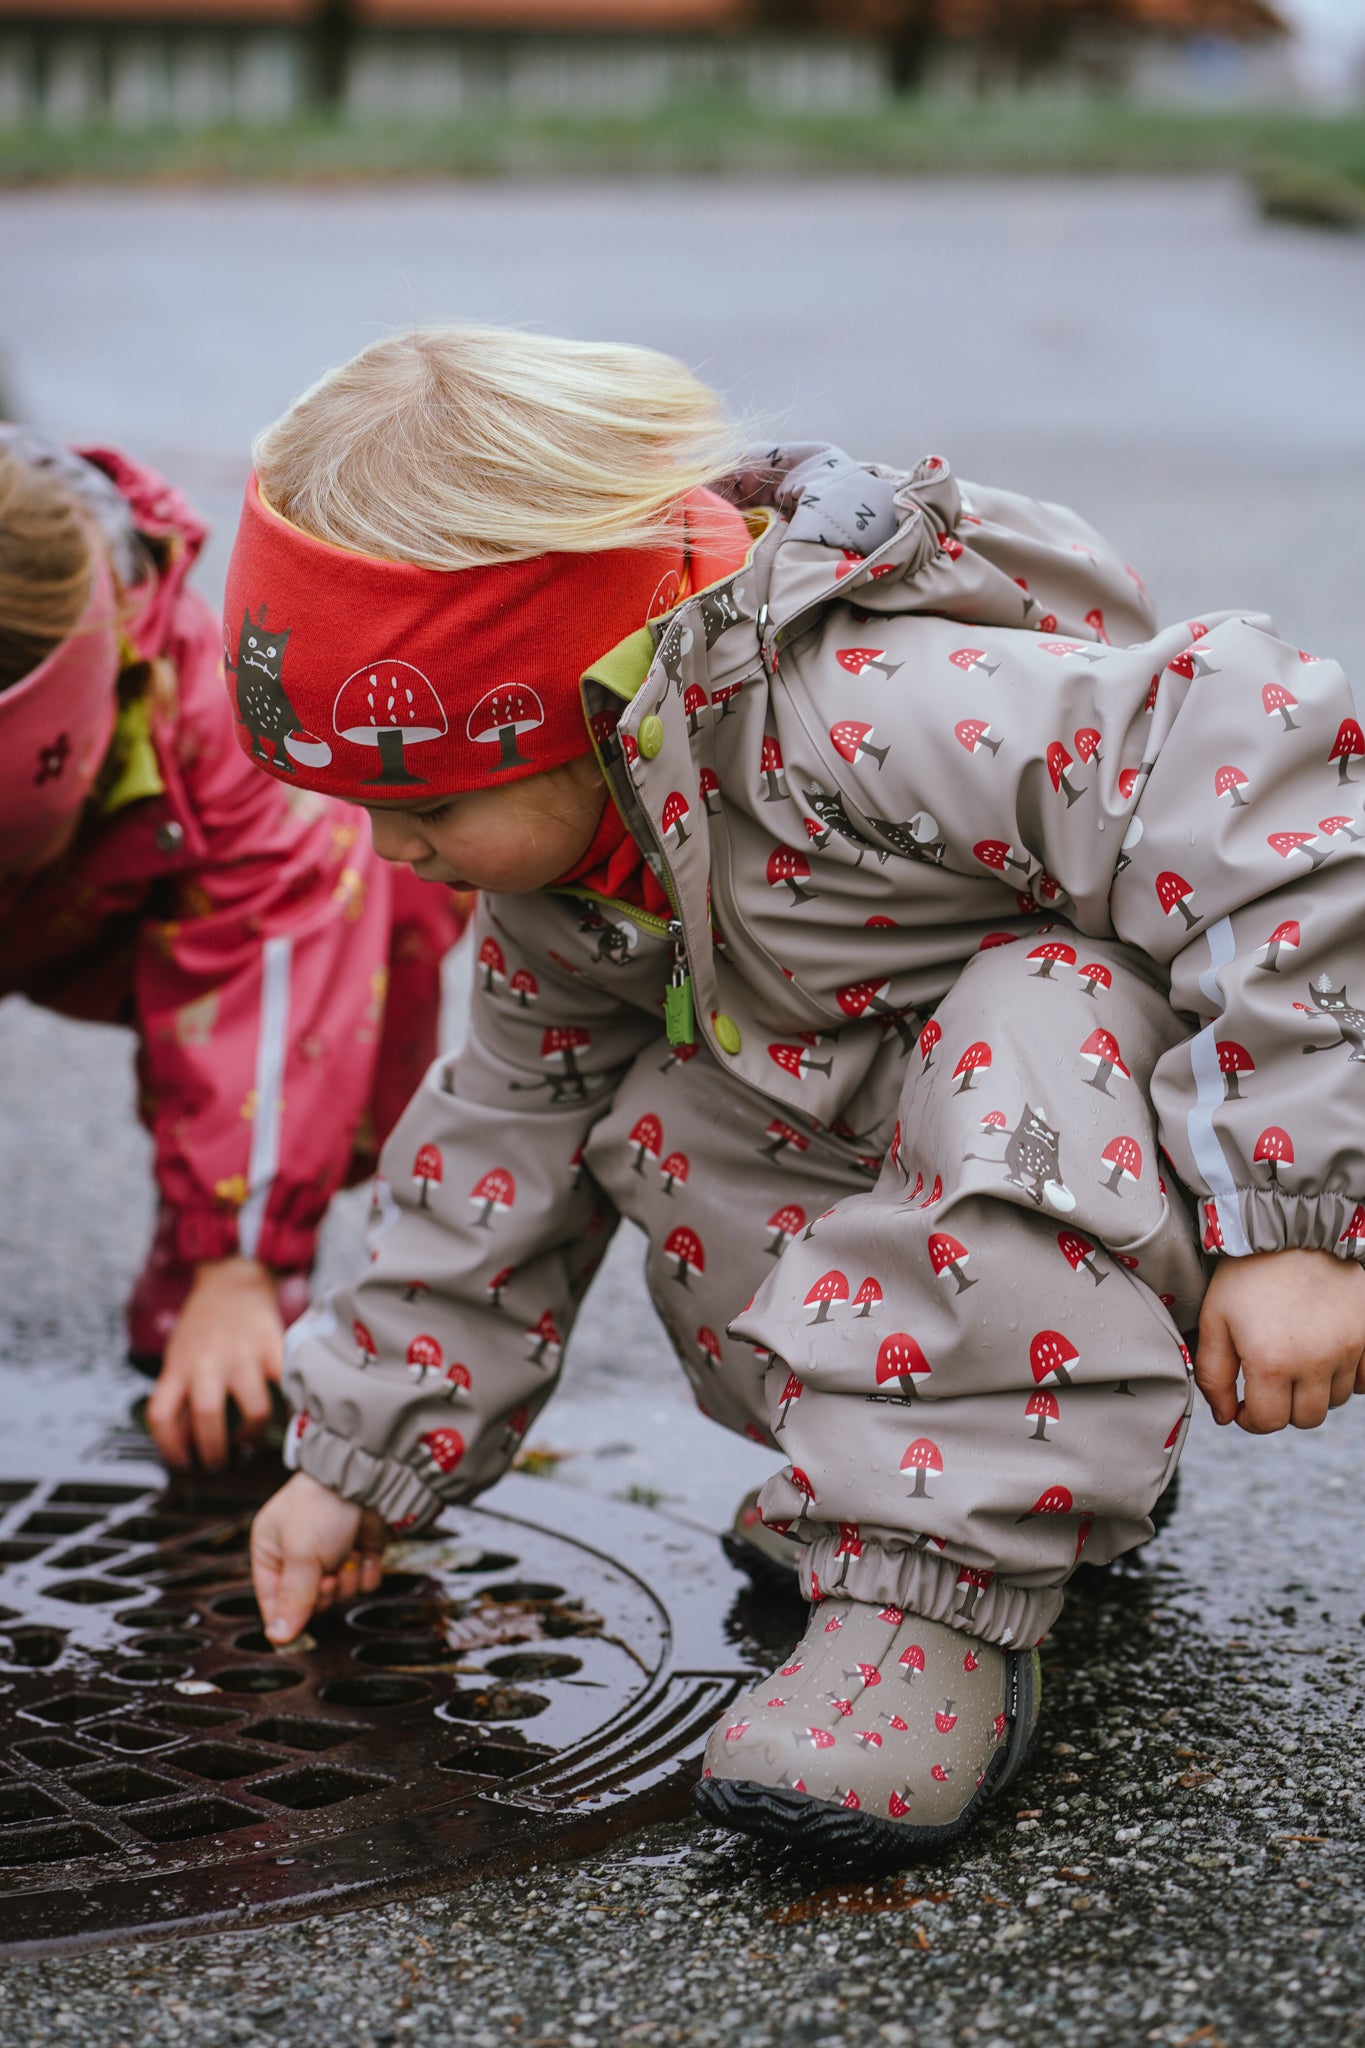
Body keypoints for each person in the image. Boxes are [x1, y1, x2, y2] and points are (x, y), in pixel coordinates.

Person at [240, 327, 1365, 1861]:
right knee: (645, 1113)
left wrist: (1296, 1210)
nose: (393, 855)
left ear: (573, 695)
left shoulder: (863, 703)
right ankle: (917, 1488)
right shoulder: (571, 881)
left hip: (1111, 1137)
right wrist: (361, 1456)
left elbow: (1263, 777)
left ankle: (935, 1602)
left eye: (423, 803)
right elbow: (496, 1141)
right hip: (937, 1185)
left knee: (1038, 1007)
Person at [0, 431, 465, 1470]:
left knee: (372, 865)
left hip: (105, 892)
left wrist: (239, 1258)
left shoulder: (196, 701)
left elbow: (276, 949)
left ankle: (219, 1292)